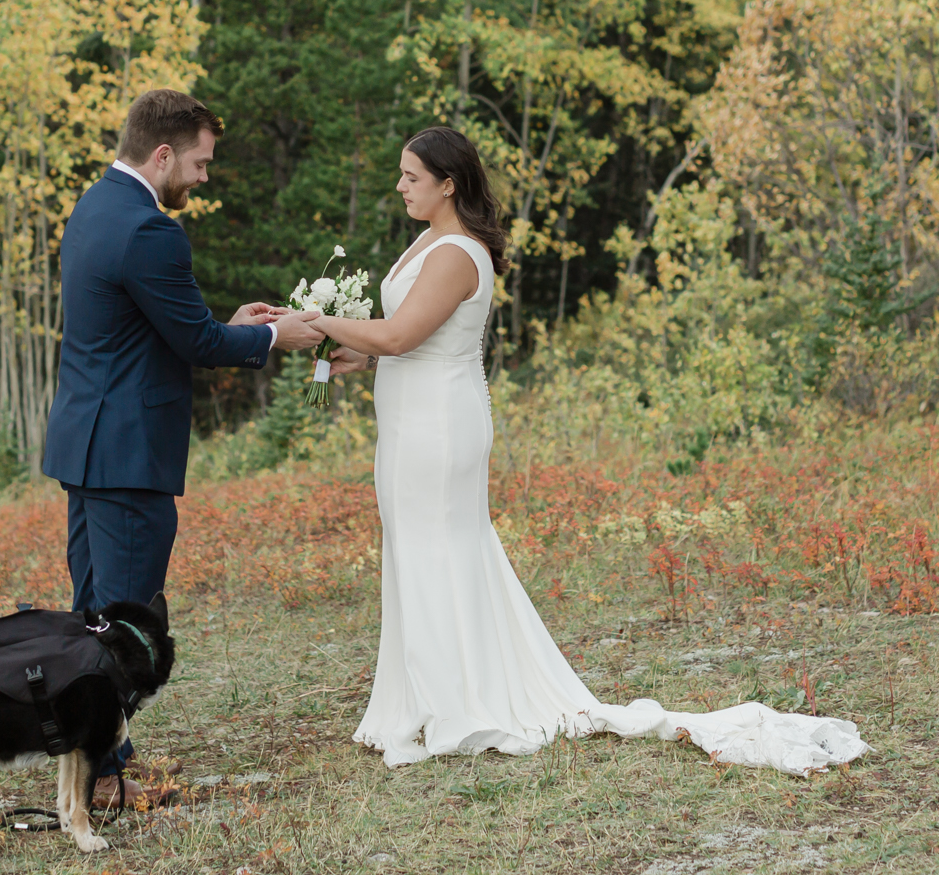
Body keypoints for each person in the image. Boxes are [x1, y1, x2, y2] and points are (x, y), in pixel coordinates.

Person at [315, 127, 868, 775]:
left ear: (448, 183)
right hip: (409, 420)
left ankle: (454, 703)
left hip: (438, 425)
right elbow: (407, 337)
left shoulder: (456, 253)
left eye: (411, 176)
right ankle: (427, 696)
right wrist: (351, 352)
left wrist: (318, 322)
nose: (401, 185)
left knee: (439, 545)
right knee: (416, 546)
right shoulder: (426, 241)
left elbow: (405, 335)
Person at [42, 89, 323, 807]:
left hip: (87, 446)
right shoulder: (150, 230)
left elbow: (148, 330)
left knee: (94, 612)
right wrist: (271, 336)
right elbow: (195, 342)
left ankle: (101, 758)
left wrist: (223, 323)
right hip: (129, 456)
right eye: (199, 164)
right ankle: (103, 780)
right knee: (127, 622)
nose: (203, 178)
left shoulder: (94, 206)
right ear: (162, 154)